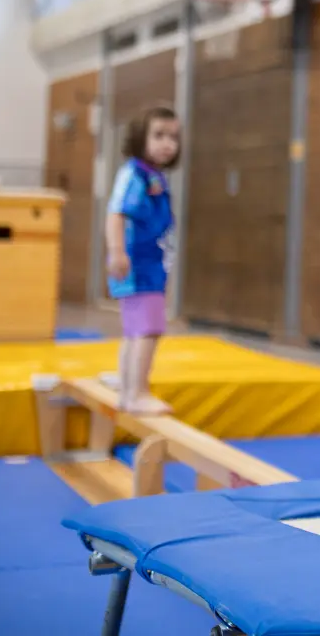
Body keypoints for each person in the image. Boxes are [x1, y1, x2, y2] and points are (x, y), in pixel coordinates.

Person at [104, 104, 182, 414]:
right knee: (148, 329)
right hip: (138, 265)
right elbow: (116, 214)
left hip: (150, 265)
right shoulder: (134, 174)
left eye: (173, 137)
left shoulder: (152, 175)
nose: (168, 143)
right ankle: (136, 392)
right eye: (159, 135)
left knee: (136, 329)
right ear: (140, 138)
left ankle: (127, 385)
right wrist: (117, 251)